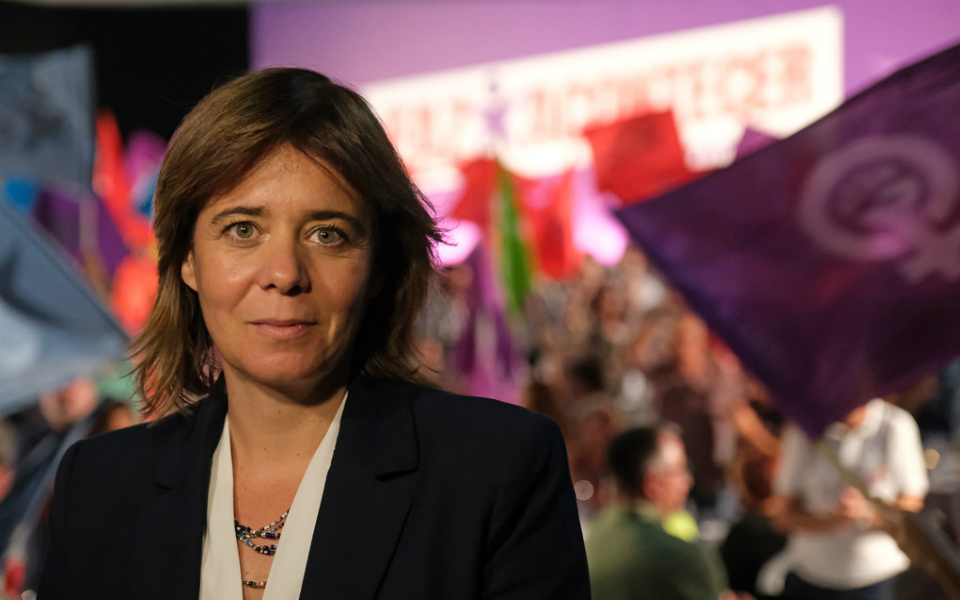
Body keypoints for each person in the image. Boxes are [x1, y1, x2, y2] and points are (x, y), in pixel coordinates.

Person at [37, 68, 589, 599]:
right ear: (186, 258)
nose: (284, 273)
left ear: (379, 264)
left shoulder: (497, 470)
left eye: (327, 234)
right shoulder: (99, 486)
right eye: (243, 229)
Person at [769, 398, 928, 600]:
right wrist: (831, 521)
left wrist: (869, 513)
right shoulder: (802, 429)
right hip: (811, 573)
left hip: (877, 575)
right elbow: (783, 517)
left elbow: (912, 506)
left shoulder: (895, 425)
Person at [585, 426, 726, 600]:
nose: (689, 480)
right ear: (652, 484)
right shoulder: (679, 558)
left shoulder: (590, 543)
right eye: (681, 469)